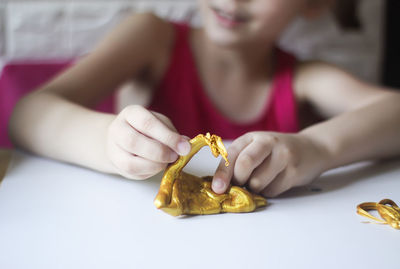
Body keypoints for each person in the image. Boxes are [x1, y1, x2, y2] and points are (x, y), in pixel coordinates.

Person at [8, 0, 400, 198]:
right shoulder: (152, 38)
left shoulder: (302, 77)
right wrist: (111, 143)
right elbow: (27, 113)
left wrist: (318, 147)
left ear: (314, 4)